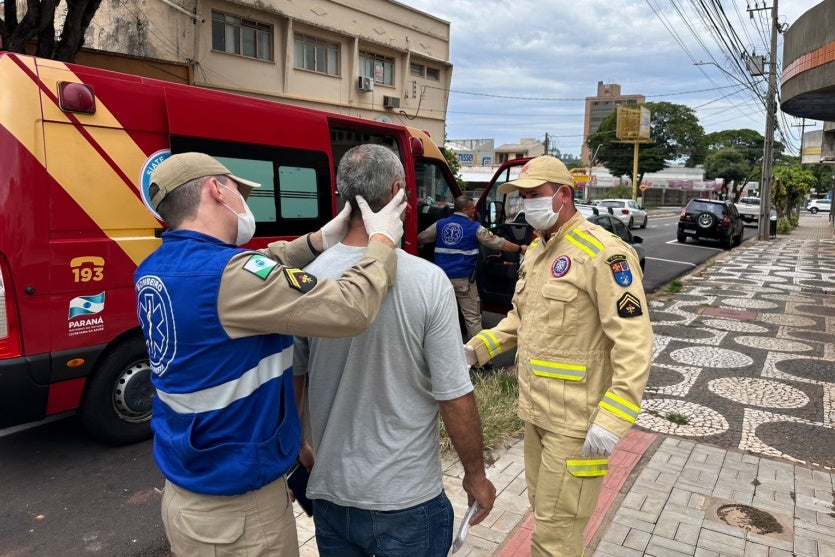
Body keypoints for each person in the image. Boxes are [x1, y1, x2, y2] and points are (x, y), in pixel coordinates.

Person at [134, 152, 406, 557]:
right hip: (238, 516)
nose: (246, 202)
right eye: (241, 192)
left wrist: (317, 242)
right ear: (216, 189)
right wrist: (382, 241)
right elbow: (350, 308)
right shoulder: (226, 277)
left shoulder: (156, 268)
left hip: (192, 496)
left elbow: (258, 269)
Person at [294, 145, 497, 557]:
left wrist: (299, 447)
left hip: (331, 494)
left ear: (341, 197)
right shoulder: (427, 281)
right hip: (406, 501)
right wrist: (475, 475)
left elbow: (294, 380)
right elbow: (454, 395)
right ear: (398, 192)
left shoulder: (307, 277)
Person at [464, 155, 653, 556]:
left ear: (563, 195)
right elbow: (520, 321)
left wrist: (613, 418)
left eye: (534, 195)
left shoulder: (603, 254)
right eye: (522, 196)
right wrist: (474, 351)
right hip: (537, 415)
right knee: (547, 516)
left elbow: (634, 342)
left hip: (578, 426)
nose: (525, 205)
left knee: (554, 537)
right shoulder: (537, 251)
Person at [418, 195, 525, 341]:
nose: (474, 211)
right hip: (463, 281)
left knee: (436, 316)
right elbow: (498, 243)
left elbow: (422, 237)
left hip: (440, 280)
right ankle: (477, 360)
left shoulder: (440, 224)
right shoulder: (475, 228)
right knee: (472, 318)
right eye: (472, 209)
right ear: (464, 209)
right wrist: (519, 248)